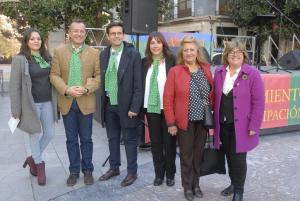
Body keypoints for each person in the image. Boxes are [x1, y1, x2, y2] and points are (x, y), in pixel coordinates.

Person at [50, 19, 100, 186]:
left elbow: (98, 77)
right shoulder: (59, 51)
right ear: (69, 33)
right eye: (75, 31)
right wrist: (66, 89)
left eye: (82, 31)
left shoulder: (94, 53)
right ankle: (73, 171)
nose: (79, 34)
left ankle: (88, 171)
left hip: (86, 103)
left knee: (86, 139)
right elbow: (54, 75)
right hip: (67, 102)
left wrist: (86, 88)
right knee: (71, 139)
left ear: (85, 33)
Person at [163, 36, 214, 201]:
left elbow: (212, 92)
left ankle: (196, 184)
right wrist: (171, 122)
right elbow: (168, 99)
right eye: (186, 50)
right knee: (186, 156)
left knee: (198, 155)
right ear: (182, 53)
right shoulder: (175, 71)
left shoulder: (206, 69)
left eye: (192, 49)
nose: (189, 53)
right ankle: (187, 187)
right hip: (184, 122)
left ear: (197, 51)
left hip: (203, 121)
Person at [213, 40, 265, 201]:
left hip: (242, 126)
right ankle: (233, 184)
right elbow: (215, 96)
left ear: (244, 55)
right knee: (229, 156)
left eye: (238, 52)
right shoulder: (219, 72)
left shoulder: (252, 73)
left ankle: (239, 191)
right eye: (231, 52)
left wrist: (254, 125)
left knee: (238, 159)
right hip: (223, 124)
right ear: (226, 56)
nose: (234, 54)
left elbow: (259, 102)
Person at [9, 28, 58, 185]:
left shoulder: (47, 57)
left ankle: (31, 159)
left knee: (49, 133)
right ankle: (39, 165)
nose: (36, 41)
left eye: (38, 38)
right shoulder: (20, 59)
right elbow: (14, 86)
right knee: (34, 134)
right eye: (32, 39)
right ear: (26, 42)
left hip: (48, 102)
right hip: (30, 105)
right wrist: (16, 110)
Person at [98, 22, 143, 187]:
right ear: (108, 36)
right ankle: (114, 167)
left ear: (123, 35)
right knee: (112, 138)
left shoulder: (133, 54)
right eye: (113, 33)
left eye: (119, 33)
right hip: (109, 103)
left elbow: (139, 85)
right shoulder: (104, 54)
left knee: (130, 140)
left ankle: (132, 172)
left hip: (127, 106)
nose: (116, 36)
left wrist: (134, 107)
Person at [142, 31, 177, 186]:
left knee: (169, 143)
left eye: (158, 42)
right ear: (149, 46)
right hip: (151, 108)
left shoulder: (172, 61)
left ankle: (170, 174)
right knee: (155, 143)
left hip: (169, 109)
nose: (155, 45)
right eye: (152, 42)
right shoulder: (144, 63)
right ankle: (159, 174)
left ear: (163, 44)